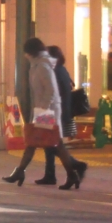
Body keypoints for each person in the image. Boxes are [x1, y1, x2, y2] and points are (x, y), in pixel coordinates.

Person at [3, 38, 87, 190]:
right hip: (44, 109)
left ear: (31, 52)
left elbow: (51, 91)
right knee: (39, 142)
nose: (25, 56)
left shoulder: (42, 66)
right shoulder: (38, 65)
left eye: (26, 52)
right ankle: (21, 171)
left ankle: (21, 172)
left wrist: (42, 111)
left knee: (41, 142)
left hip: (47, 110)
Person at [36, 45, 76, 186]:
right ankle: (51, 174)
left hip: (50, 112)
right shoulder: (62, 70)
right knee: (50, 144)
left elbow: (49, 93)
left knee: (51, 144)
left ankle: (74, 168)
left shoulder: (53, 72)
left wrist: (41, 112)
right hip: (56, 111)